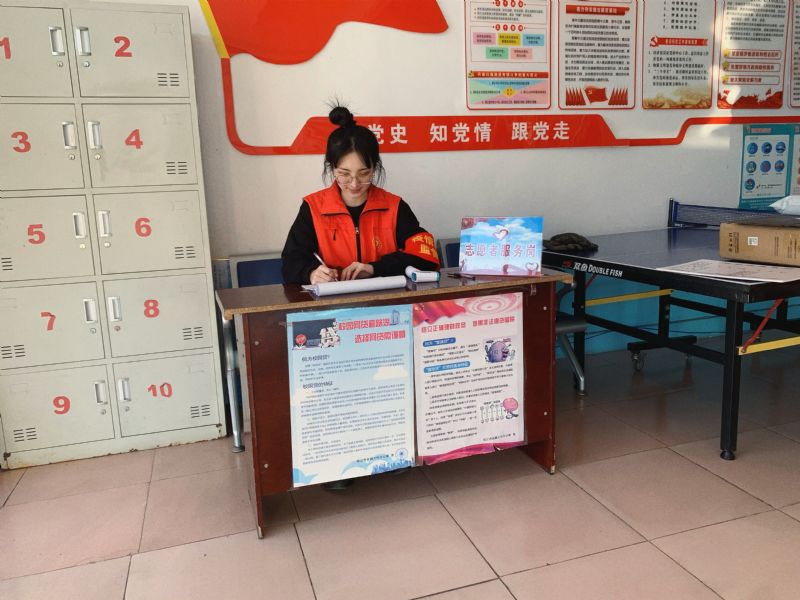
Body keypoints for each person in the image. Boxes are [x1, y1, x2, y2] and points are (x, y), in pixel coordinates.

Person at [281, 106, 440, 284]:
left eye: (364, 173)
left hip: (386, 299)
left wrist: (375, 268)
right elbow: (290, 263)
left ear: (375, 168)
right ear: (332, 168)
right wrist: (311, 273)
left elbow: (427, 257)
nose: (354, 184)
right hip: (332, 299)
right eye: (344, 174)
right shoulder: (313, 208)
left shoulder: (395, 207)